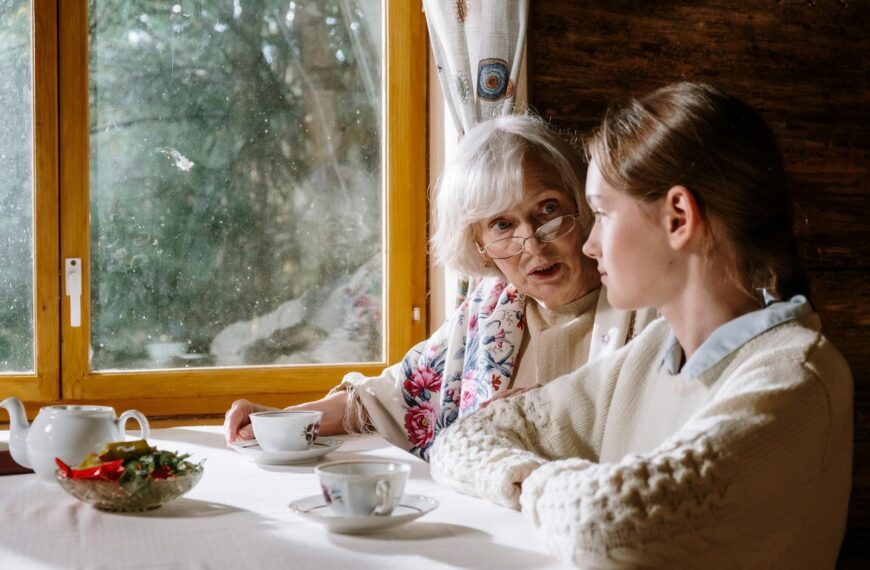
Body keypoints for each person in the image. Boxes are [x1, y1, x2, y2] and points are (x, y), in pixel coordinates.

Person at [429, 83, 853, 568]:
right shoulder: (655, 352)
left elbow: (608, 523)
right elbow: (462, 439)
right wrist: (549, 481)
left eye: (603, 214)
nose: (589, 244)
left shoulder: (795, 380)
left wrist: (528, 478)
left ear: (678, 218)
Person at [225, 114, 656, 460]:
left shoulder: (645, 305)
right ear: (480, 244)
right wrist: (281, 420)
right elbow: (395, 397)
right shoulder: (492, 306)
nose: (531, 242)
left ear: (582, 206)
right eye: (502, 224)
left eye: (548, 210)